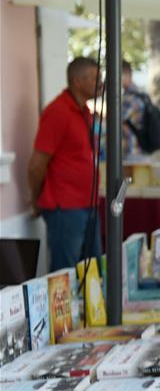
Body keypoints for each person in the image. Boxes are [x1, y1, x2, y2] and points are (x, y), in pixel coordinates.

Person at [27, 57, 102, 271]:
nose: (100, 83)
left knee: (92, 272)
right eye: (95, 78)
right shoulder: (58, 112)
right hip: (66, 208)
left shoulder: (84, 111)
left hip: (89, 203)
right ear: (77, 81)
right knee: (65, 274)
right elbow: (36, 164)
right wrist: (36, 198)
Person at [121, 61, 146, 158]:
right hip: (139, 149)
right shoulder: (140, 93)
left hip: (132, 149)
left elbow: (117, 120)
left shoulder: (131, 96)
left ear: (126, 75)